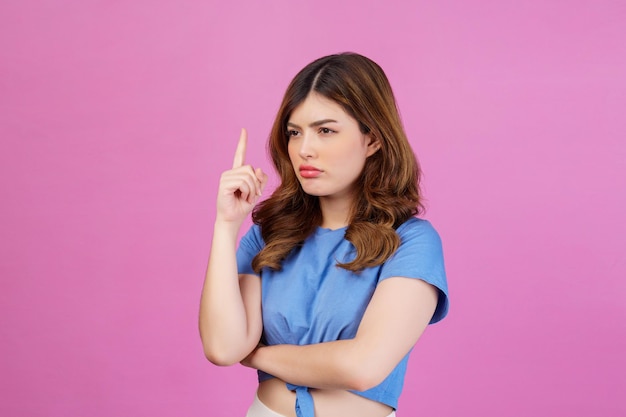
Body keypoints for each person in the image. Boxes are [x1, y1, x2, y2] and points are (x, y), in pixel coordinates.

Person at [199, 52, 449, 417]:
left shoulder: (411, 241)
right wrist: (226, 226)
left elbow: (362, 367)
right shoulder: (269, 235)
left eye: (326, 130)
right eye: (294, 132)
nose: (304, 150)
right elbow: (223, 348)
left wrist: (258, 356)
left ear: (373, 140)